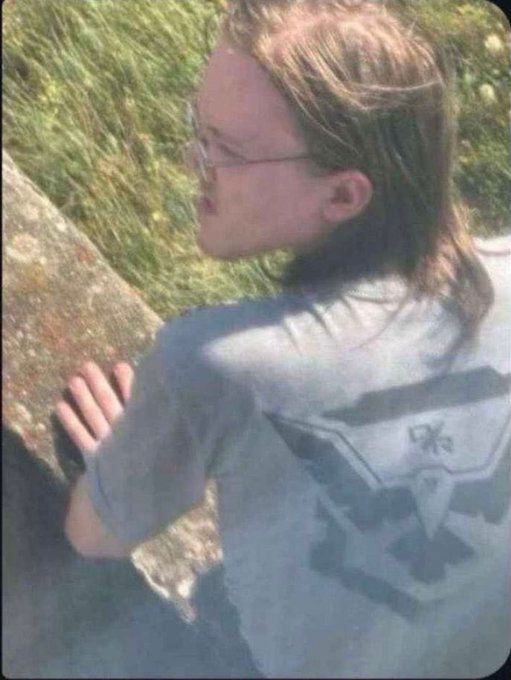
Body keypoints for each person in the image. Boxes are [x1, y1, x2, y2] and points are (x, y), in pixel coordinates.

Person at [55, 0, 510, 676]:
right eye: (197, 128)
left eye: (226, 149)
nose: (193, 160)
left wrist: (123, 464)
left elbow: (93, 537)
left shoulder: (212, 361)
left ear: (343, 196)